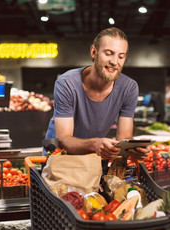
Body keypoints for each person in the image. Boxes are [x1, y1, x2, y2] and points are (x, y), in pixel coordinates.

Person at [44, 27, 150, 161]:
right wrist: (95, 144)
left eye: (121, 56)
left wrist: (134, 148)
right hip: (58, 156)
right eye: (108, 53)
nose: (114, 62)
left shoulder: (129, 87)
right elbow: (64, 140)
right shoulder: (66, 83)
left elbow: (124, 139)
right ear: (94, 52)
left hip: (92, 156)